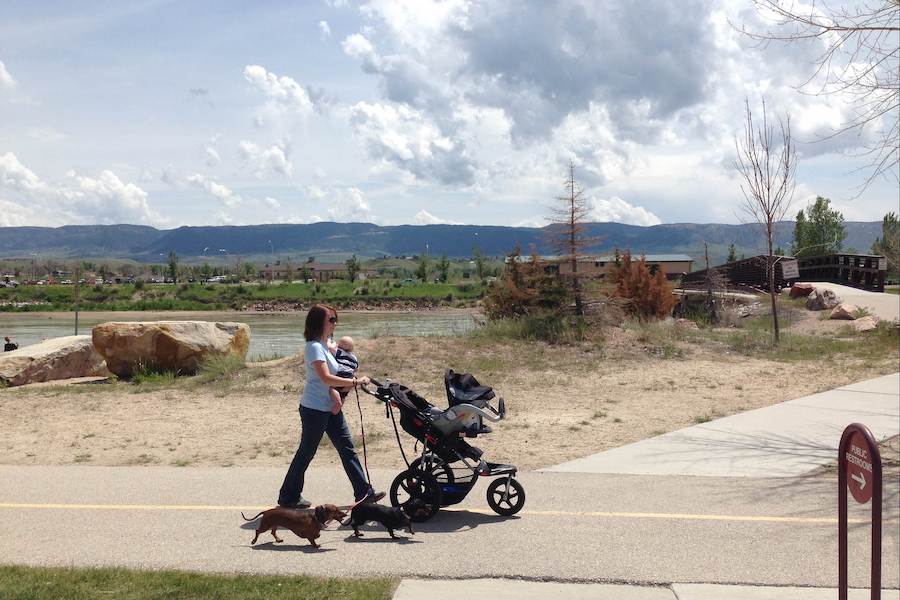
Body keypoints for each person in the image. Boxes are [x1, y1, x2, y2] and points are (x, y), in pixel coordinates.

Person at [278, 305, 383, 509]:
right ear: (319, 322)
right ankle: (288, 496)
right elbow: (326, 378)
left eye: (336, 319)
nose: (335, 323)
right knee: (306, 452)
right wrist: (355, 382)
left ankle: (364, 492)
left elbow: (340, 368)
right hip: (314, 409)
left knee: (347, 448)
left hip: (330, 407)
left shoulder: (326, 345)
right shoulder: (314, 347)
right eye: (331, 320)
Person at [328, 336, 358, 415]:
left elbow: (330, 348)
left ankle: (338, 402)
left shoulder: (338, 351)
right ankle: (339, 406)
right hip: (349, 377)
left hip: (340, 375)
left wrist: (333, 343)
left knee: (331, 388)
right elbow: (355, 369)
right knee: (344, 395)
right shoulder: (354, 357)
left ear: (339, 345)